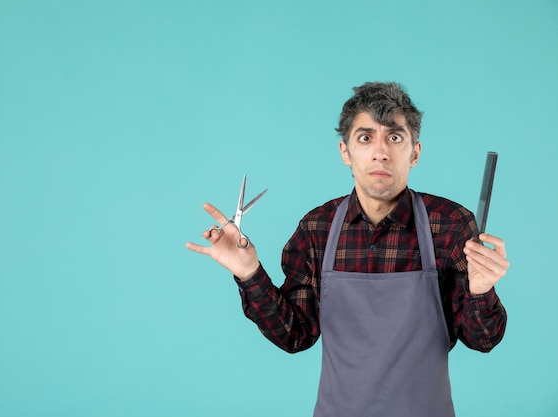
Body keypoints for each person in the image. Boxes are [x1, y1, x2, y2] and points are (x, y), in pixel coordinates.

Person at [186, 81, 509, 417]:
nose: (380, 152)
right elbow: (294, 335)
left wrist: (482, 290)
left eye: (395, 137)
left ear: (415, 152)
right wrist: (249, 273)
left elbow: (482, 339)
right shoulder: (317, 229)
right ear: (345, 152)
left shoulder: (451, 225)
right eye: (365, 137)